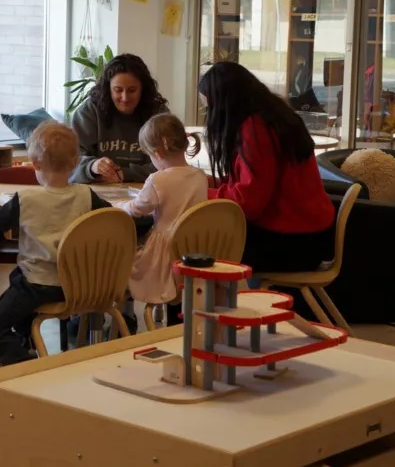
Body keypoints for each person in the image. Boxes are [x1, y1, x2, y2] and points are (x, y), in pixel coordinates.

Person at [0, 122, 111, 365]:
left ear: (36, 163)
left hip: (35, 285)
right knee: (19, 297)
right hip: (75, 284)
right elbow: (110, 218)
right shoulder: (86, 195)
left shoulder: (26, 198)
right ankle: (27, 340)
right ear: (75, 163)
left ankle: (26, 365)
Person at [199, 62, 336, 274]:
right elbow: (251, 182)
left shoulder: (255, 129)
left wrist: (197, 192)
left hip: (292, 242)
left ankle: (194, 305)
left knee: (195, 244)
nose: (209, 116)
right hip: (311, 236)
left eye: (210, 108)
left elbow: (248, 203)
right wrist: (208, 182)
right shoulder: (273, 115)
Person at [115, 114, 208, 316]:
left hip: (166, 249)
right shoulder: (200, 176)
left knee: (128, 265)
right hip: (195, 245)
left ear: (157, 153)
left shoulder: (157, 179)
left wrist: (120, 206)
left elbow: (138, 209)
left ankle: (125, 314)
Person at [70, 53, 169, 184]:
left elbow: (170, 163)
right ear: (108, 89)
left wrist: (124, 174)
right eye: (118, 90)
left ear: (143, 90)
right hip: (97, 190)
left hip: (147, 191)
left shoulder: (158, 114)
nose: (125, 98)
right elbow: (69, 161)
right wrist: (92, 166)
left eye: (132, 90)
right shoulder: (89, 111)